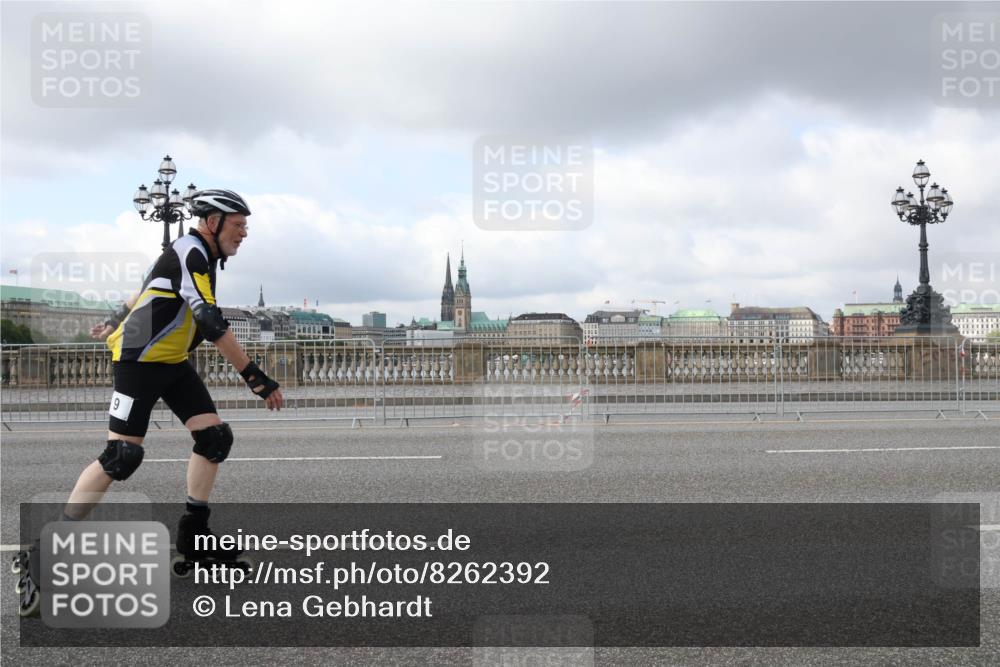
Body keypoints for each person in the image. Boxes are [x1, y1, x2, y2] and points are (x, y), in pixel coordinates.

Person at [15, 189, 284, 616]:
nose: (244, 233)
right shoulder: (192, 252)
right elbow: (210, 321)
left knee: (213, 437)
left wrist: (113, 317)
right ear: (212, 222)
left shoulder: (194, 254)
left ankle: (194, 537)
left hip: (172, 360)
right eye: (238, 225)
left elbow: (144, 289)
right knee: (121, 455)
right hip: (139, 360)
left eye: (246, 226)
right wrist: (255, 377)